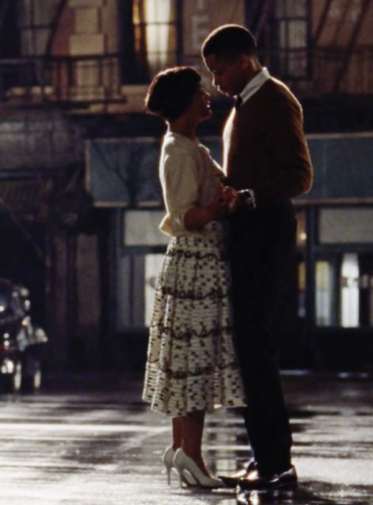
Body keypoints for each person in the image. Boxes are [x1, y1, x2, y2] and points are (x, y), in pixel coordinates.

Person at [201, 24, 313, 490]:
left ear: (243, 61)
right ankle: (265, 458)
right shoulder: (244, 104)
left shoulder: (275, 99)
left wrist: (248, 196)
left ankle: (275, 464)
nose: (216, 82)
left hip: (265, 233)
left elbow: (300, 176)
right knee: (248, 349)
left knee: (256, 347)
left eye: (219, 71)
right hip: (249, 235)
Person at [141, 66, 245, 490]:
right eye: (200, 91)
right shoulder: (180, 151)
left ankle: (182, 448)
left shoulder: (188, 147)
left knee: (186, 360)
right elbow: (184, 215)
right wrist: (219, 209)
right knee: (195, 362)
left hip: (196, 263)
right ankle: (192, 455)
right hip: (197, 263)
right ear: (185, 101)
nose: (207, 96)